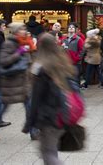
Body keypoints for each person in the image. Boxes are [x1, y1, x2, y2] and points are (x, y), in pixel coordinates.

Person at [29, 34, 77, 164]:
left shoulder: (40, 68)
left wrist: (30, 121)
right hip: (62, 114)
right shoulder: (62, 62)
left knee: (48, 153)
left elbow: (35, 99)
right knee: (50, 150)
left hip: (48, 117)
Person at [0, 23, 34, 141]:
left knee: (31, 108)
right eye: (22, 29)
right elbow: (4, 61)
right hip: (10, 83)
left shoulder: (23, 42)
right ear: (16, 31)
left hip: (23, 82)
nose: (24, 31)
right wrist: (19, 52)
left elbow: (27, 62)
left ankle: (34, 132)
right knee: (2, 110)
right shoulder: (8, 44)